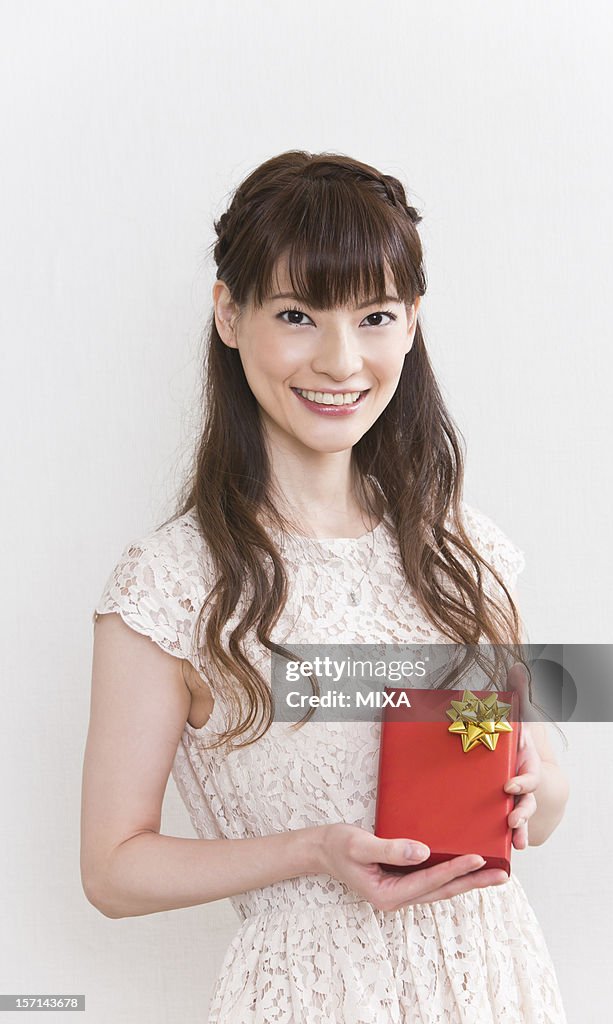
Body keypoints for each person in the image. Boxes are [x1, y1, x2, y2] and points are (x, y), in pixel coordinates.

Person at [81, 150, 570, 1023]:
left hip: (498, 985)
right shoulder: (170, 583)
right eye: (298, 314)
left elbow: (542, 803)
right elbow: (113, 870)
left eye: (374, 316)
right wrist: (311, 851)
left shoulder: (467, 551)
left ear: (412, 323)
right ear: (230, 314)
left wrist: (539, 784)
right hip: (312, 996)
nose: (342, 361)